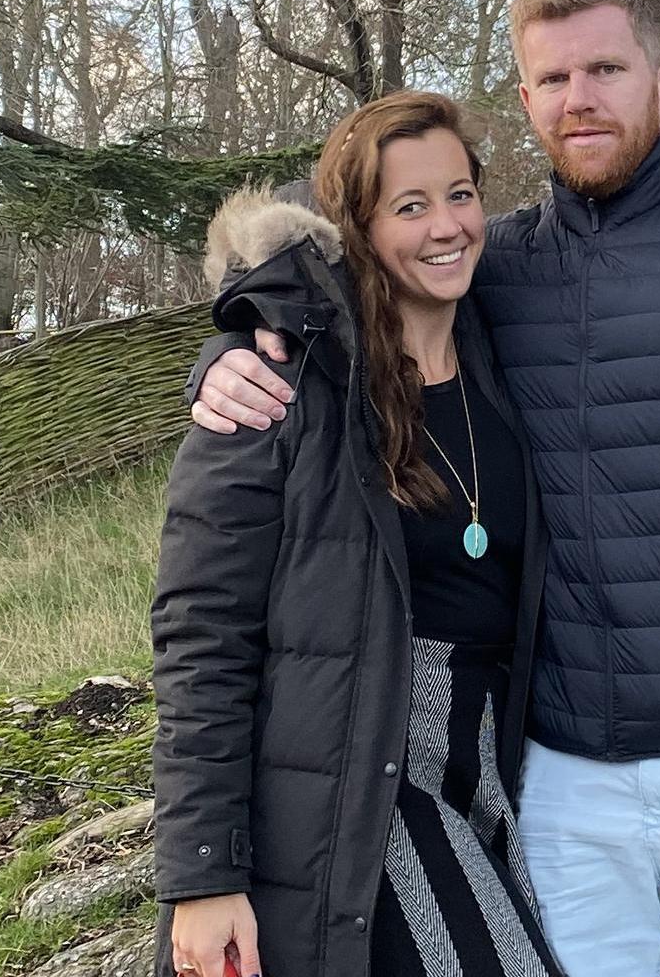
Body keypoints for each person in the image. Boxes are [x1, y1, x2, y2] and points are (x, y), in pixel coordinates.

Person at [190, 0, 660, 977]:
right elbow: (344, 264)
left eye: (605, 68)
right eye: (550, 78)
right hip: (562, 764)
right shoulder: (498, 263)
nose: (578, 98)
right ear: (525, 97)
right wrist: (231, 344)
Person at [154, 91, 559, 977]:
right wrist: (201, 874)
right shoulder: (278, 387)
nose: (445, 226)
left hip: (485, 768)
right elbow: (201, 638)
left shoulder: (500, 350)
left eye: (460, 194)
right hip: (358, 772)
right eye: (408, 207)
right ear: (359, 227)